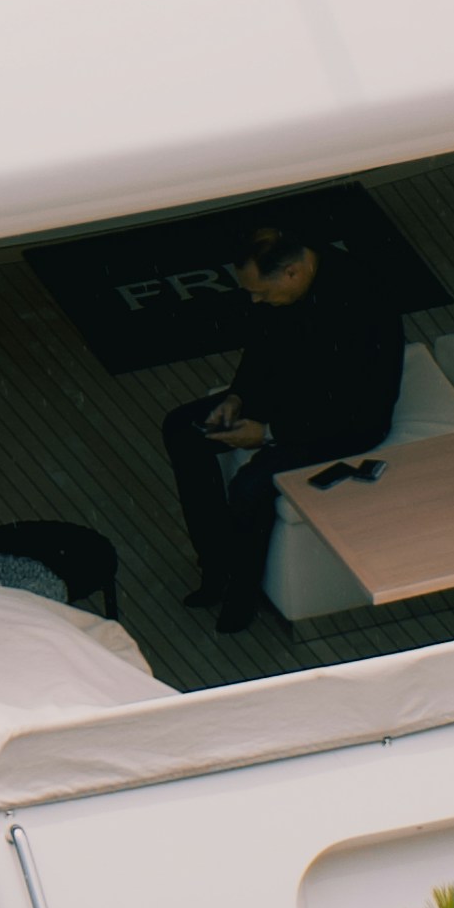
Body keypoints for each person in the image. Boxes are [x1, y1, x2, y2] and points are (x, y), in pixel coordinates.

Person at [153, 219, 411, 632]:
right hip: (298, 391)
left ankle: (241, 595)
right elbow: (263, 345)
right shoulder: (287, 288)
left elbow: (358, 408)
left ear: (292, 272)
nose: (255, 301)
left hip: (345, 418)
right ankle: (216, 564)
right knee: (182, 430)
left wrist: (271, 433)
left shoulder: (363, 301)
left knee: (251, 486)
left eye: (261, 291)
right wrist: (236, 397)